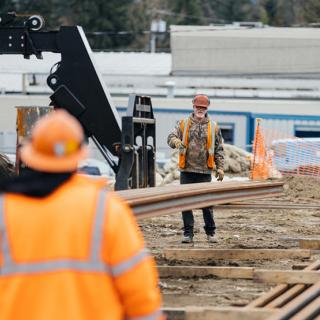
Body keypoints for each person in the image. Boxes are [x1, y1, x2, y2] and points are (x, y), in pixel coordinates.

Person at [0, 109, 164, 320]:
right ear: (80, 155)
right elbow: (140, 296)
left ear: (30, 153)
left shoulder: (5, 211)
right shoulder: (106, 211)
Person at [167, 94, 224, 244]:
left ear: (207, 109)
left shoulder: (214, 126)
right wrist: (176, 141)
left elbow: (219, 149)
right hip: (186, 170)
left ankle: (211, 233)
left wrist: (220, 168)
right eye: (198, 107)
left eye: (203, 108)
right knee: (186, 203)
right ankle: (188, 234)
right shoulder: (183, 123)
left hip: (204, 171)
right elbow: (170, 137)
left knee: (206, 204)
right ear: (193, 107)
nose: (200, 110)